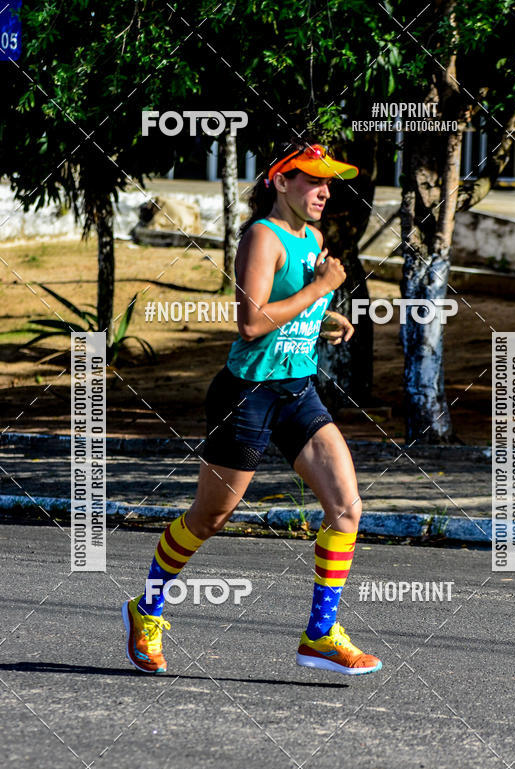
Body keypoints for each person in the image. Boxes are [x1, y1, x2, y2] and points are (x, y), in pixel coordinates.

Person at [121, 140, 382, 677]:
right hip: (246, 396)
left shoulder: (314, 237)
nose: (323, 191)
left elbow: (295, 315)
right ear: (280, 182)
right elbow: (253, 322)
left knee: (347, 508)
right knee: (210, 517)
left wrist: (326, 320)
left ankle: (320, 635)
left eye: (328, 182)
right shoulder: (263, 237)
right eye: (312, 180)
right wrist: (320, 289)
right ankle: (146, 608)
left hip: (298, 391)